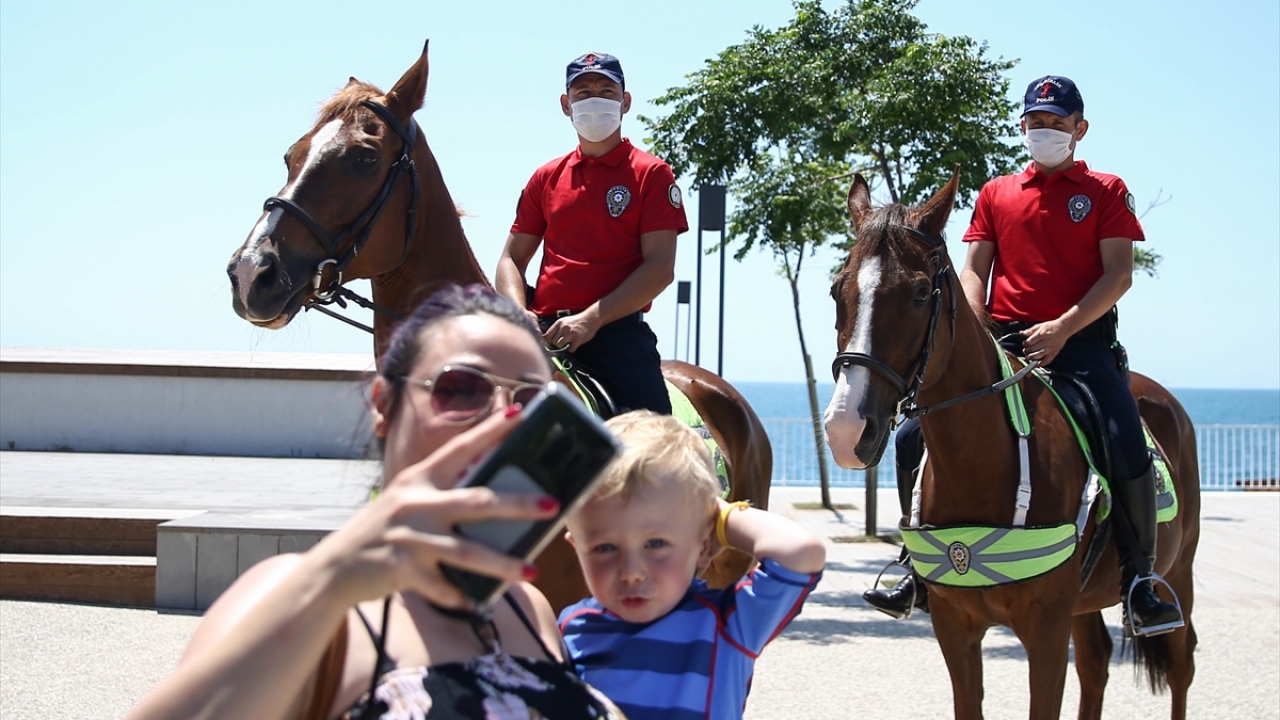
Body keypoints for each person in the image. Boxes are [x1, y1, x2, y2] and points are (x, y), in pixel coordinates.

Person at [127, 284, 625, 720]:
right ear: (385, 407)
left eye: (529, 403)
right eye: (460, 389)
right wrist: (331, 580)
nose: (501, 417)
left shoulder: (528, 608)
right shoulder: (298, 595)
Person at [864, 75, 1183, 636]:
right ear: (1023, 127)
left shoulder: (1106, 190)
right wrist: (976, 324)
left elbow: (1118, 275)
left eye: (1057, 123)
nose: (1045, 131)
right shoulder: (996, 193)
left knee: (1122, 437)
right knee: (915, 434)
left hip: (1081, 347)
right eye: (1036, 122)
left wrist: (1063, 327)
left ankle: (1139, 580)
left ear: (1079, 129)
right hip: (1006, 343)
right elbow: (974, 271)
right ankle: (918, 563)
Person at [558, 411, 825, 719]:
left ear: (704, 547)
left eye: (656, 544)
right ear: (577, 548)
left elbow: (801, 551)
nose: (631, 572)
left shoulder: (727, 622)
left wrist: (715, 516)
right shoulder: (571, 627)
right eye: (605, 548)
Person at [496, 51, 688, 416]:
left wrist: (591, 319)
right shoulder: (545, 176)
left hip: (615, 337)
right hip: (540, 332)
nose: (594, 100)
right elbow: (510, 259)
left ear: (625, 101)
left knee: (653, 449)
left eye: (605, 90)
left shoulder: (652, 174)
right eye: (582, 93)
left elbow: (660, 267)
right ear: (566, 105)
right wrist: (518, 313)